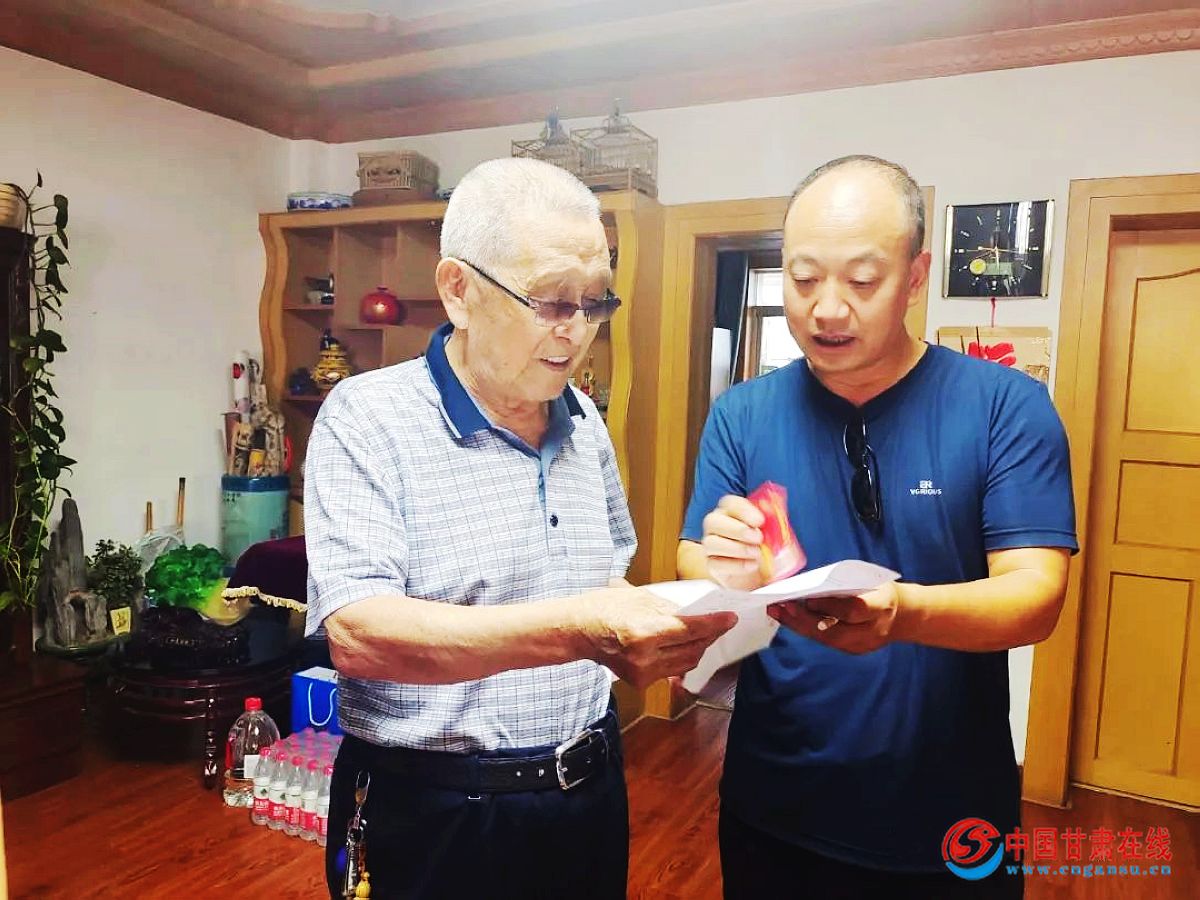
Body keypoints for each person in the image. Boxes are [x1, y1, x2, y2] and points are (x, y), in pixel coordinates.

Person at [305, 157, 735, 900]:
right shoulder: (367, 417)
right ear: (459, 290)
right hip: (433, 809)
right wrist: (580, 629)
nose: (577, 332)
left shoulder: (584, 420)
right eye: (551, 301)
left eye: (595, 302)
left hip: (585, 791)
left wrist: (666, 626)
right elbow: (360, 635)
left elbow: (600, 579)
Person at [677, 155, 1077, 899]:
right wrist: (727, 571)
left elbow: (1036, 597)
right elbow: (696, 555)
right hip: (774, 806)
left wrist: (903, 613)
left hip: (949, 817)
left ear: (916, 277)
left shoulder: (1006, 407)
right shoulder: (741, 413)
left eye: (862, 282)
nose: (826, 310)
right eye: (803, 279)